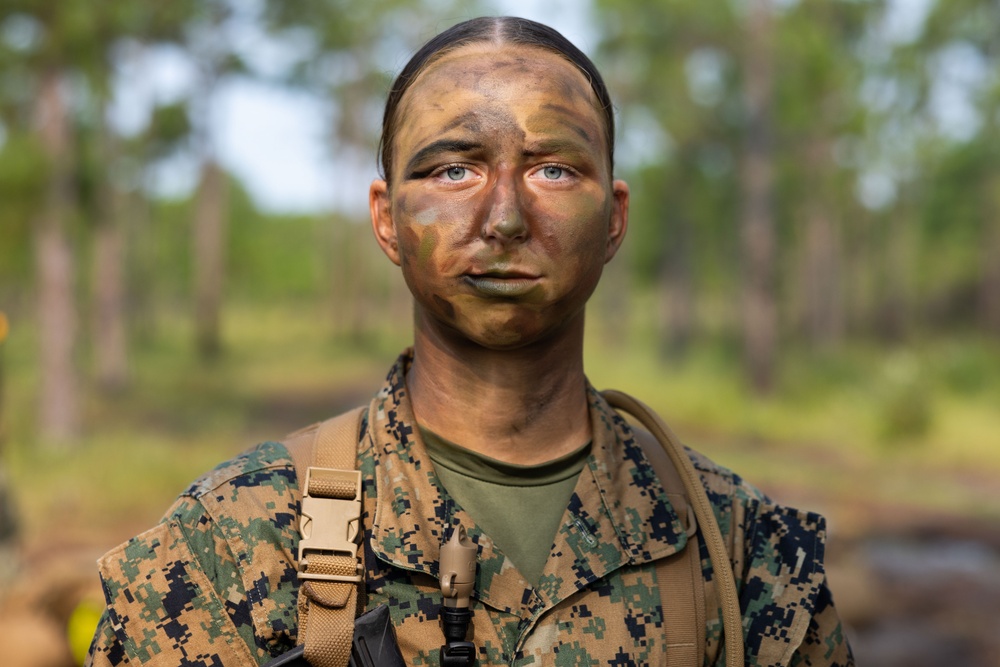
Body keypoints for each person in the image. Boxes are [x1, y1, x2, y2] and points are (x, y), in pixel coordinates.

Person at [85, 16, 854, 667]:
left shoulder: (744, 555)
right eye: (454, 170)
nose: (506, 217)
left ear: (614, 218)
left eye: (554, 169)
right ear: (385, 218)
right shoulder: (231, 543)